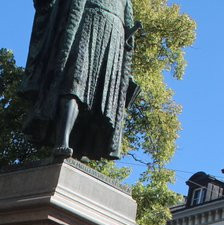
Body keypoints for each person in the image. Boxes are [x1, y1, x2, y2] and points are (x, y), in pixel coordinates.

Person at [21, 0, 137, 160]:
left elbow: (129, 28)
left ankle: (80, 148)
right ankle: (62, 141)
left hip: (114, 36)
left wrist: (127, 55)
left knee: (99, 99)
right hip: (85, 21)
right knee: (73, 83)